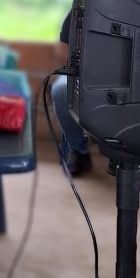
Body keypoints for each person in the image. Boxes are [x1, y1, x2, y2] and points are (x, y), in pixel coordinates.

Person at [52, 10, 92, 175]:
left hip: (130, 79)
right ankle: (78, 150)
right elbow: (62, 50)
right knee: (61, 90)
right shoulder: (84, 5)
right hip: (82, 73)